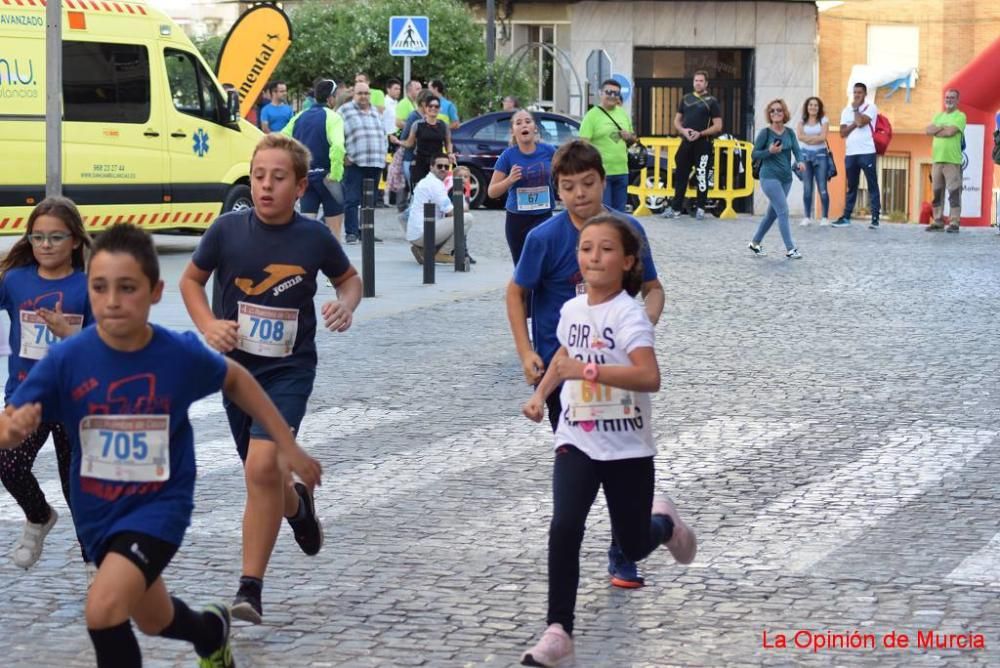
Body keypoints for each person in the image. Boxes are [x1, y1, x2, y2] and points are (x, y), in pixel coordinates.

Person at [2, 222, 323, 667]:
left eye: (127, 288)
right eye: (100, 287)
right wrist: (13, 429)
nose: (112, 301)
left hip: (158, 509)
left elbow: (236, 378)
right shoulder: (68, 359)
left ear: (155, 292)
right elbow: (10, 423)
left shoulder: (176, 353)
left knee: (103, 609)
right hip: (98, 514)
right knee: (152, 618)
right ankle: (210, 631)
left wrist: (286, 443)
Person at [179, 133, 362, 625]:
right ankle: (298, 508)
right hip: (235, 370)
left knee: (261, 467)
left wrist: (343, 306)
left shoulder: (314, 238)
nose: (265, 186)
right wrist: (209, 325)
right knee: (266, 474)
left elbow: (350, 279)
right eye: (259, 176)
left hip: (288, 369)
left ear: (300, 186)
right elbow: (191, 281)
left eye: (278, 178)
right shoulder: (226, 230)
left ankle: (249, 587)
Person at [519, 213, 696, 667]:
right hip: (576, 438)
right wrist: (540, 395)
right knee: (564, 527)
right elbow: (563, 356)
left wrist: (590, 370)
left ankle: (666, 524)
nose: (594, 257)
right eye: (586, 249)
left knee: (634, 543)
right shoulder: (573, 309)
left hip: (628, 448)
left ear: (628, 261)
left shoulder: (629, 314)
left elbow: (648, 376)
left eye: (606, 249)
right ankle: (558, 630)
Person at [506, 140, 666, 592]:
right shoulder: (544, 239)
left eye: (589, 183)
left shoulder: (627, 229)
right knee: (578, 455)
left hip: (618, 372)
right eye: (569, 186)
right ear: (557, 190)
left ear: (603, 180)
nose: (580, 194)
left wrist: (640, 325)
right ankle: (565, 595)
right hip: (563, 370)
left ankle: (624, 547)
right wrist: (525, 353)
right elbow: (515, 293)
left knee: (617, 455)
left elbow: (654, 289)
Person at [0, 196, 92, 572]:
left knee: (79, 492)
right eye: (38, 237)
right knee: (7, 463)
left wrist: (69, 332)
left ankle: (94, 567)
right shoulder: (15, 280)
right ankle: (38, 517)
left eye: (55, 237)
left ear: (74, 240)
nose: (46, 245)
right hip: (28, 397)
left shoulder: (90, 286)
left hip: (74, 402)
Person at [488, 109, 558, 264]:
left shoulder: (548, 151)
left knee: (543, 264)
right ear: (513, 131)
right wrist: (509, 180)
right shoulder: (508, 156)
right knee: (522, 267)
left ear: (535, 128)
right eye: (518, 123)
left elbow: (565, 174)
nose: (523, 125)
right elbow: (492, 192)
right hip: (517, 219)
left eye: (528, 121)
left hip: (543, 216)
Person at [283, 79, 347, 240]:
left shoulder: (299, 117)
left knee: (306, 231)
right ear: (331, 98)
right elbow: (338, 146)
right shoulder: (333, 117)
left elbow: (281, 140)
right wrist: (335, 174)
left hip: (306, 178)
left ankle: (308, 263)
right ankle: (333, 264)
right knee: (334, 234)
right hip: (327, 178)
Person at [748, 99, 805, 260]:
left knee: (772, 214)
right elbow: (754, 154)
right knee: (783, 211)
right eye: (772, 111)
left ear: (784, 112)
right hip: (769, 177)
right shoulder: (765, 133)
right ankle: (791, 248)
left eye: (779, 110)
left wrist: (800, 161)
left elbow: (797, 151)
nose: (776, 113)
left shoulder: (790, 133)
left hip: (786, 178)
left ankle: (755, 243)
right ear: (769, 114)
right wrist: (769, 151)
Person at [662, 70, 723, 220]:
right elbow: (677, 121)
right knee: (681, 176)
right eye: (696, 80)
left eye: (701, 81)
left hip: (704, 143)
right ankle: (675, 208)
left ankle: (701, 208)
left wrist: (700, 133)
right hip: (686, 142)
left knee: (702, 176)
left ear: (706, 83)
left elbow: (718, 126)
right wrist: (683, 130)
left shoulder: (712, 101)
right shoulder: (686, 99)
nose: (698, 83)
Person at [338, 81, 387, 244]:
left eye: (366, 93)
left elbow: (382, 133)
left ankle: (367, 231)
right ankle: (351, 232)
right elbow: (335, 136)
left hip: (375, 161)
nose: (363, 97)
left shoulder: (375, 111)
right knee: (352, 199)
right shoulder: (344, 111)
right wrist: (343, 156)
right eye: (360, 93)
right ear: (354, 94)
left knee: (370, 201)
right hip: (355, 162)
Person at [578, 79, 636, 212]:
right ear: (600, 93)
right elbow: (583, 145)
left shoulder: (622, 113)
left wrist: (629, 137)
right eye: (608, 92)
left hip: (622, 170)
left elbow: (633, 138)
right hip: (602, 173)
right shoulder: (591, 116)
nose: (612, 96)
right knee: (605, 212)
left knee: (620, 214)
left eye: (616, 93)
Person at [831, 82, 881, 229]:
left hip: (867, 152)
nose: (857, 95)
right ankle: (846, 217)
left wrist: (854, 114)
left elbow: (860, 121)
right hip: (851, 153)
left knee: (872, 184)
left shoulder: (871, 108)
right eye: (855, 92)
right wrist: (854, 121)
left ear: (865, 94)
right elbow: (842, 133)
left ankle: (875, 218)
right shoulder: (846, 110)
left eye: (860, 92)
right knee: (852, 185)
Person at [406, 156, 472, 265]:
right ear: (431, 167)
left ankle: (424, 251)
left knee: (455, 221)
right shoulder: (435, 184)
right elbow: (450, 212)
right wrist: (465, 208)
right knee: (467, 219)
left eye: (446, 167)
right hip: (423, 233)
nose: (443, 169)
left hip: (416, 232)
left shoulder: (427, 181)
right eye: (439, 166)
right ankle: (443, 253)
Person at [924, 89, 966, 233]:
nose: (949, 99)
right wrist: (942, 127)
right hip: (937, 159)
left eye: (952, 97)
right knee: (937, 193)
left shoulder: (960, 116)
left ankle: (954, 222)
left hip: (952, 161)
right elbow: (928, 130)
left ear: (957, 100)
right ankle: (938, 221)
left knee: (954, 192)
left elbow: (950, 132)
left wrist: (939, 128)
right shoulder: (938, 115)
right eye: (947, 97)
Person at [396, 93, 455, 187]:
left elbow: (448, 142)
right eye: (430, 106)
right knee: (419, 191)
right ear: (425, 108)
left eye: (436, 106)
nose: (433, 108)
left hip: (437, 164)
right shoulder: (417, 124)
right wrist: (397, 141)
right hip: (420, 163)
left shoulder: (443, 125)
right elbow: (409, 143)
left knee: (435, 192)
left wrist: (450, 153)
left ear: (439, 109)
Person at [796, 96, 830, 226]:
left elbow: (823, 137)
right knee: (807, 187)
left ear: (819, 107)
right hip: (804, 157)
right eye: (811, 105)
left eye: (816, 105)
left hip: (821, 156)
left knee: (822, 187)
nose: (813, 107)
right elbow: (799, 136)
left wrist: (807, 138)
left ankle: (825, 217)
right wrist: (814, 137)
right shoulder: (801, 121)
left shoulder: (824, 120)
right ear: (807, 107)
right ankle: (807, 217)